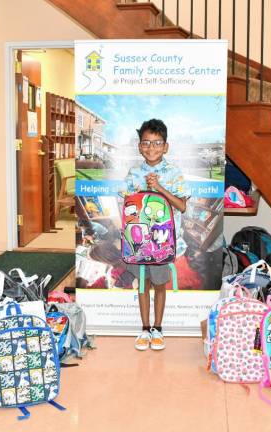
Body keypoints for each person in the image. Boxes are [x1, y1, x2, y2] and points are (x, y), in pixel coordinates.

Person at [124, 119, 189, 351]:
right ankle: (144, 329)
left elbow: (182, 206)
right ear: (140, 146)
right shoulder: (133, 173)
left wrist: (159, 188)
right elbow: (127, 207)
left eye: (157, 143)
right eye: (146, 143)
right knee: (143, 283)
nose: (151, 148)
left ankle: (158, 329)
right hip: (140, 242)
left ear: (166, 146)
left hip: (163, 243)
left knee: (160, 284)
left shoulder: (174, 173)